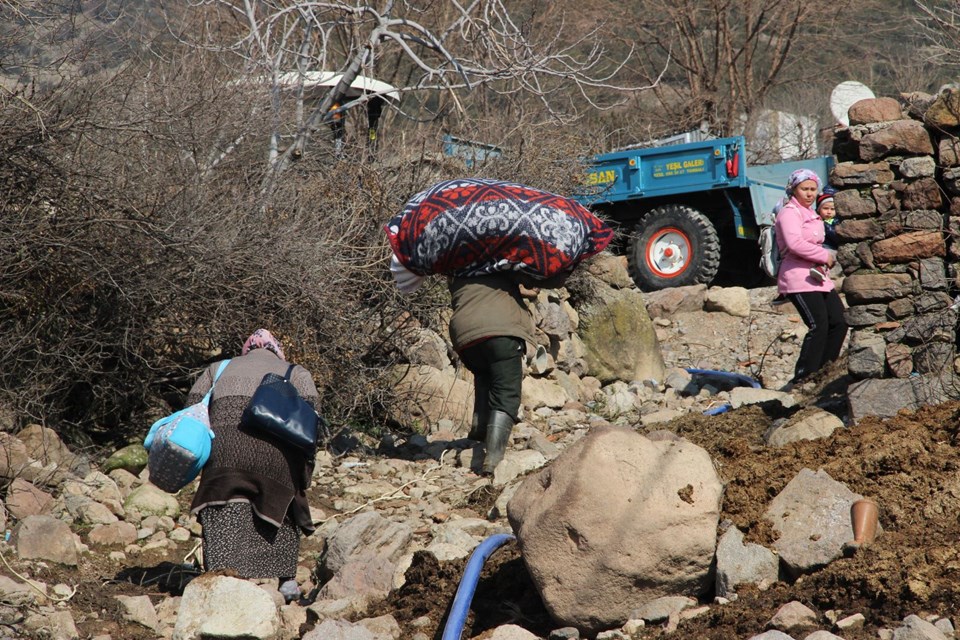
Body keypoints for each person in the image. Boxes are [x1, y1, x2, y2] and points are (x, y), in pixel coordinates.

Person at [187, 328, 319, 603]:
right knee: (285, 491)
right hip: (276, 458)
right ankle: (286, 583)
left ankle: (222, 576)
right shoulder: (296, 372)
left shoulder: (217, 369)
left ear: (247, 349)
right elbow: (312, 423)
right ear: (276, 350)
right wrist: (304, 475)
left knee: (223, 496)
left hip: (223, 458)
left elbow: (192, 408)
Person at [449, 271, 567, 475]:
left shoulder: (458, 263)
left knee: (484, 374)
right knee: (506, 391)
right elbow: (539, 279)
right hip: (501, 330)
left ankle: (479, 431)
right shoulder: (503, 258)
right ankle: (493, 460)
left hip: (463, 334)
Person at [774, 170, 848, 387]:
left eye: (812, 189)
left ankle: (824, 371)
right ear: (793, 190)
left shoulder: (812, 214)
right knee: (819, 325)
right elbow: (794, 243)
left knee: (839, 321)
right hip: (798, 276)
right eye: (804, 189)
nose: (809, 194)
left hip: (818, 277)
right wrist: (824, 255)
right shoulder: (789, 213)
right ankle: (803, 377)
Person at [809, 189, 839, 283]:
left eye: (832, 209)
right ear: (819, 210)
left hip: (830, 247)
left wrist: (826, 226)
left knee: (828, 255)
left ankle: (821, 270)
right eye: (825, 208)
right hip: (818, 246)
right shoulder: (816, 220)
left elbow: (835, 236)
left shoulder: (834, 222)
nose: (829, 212)